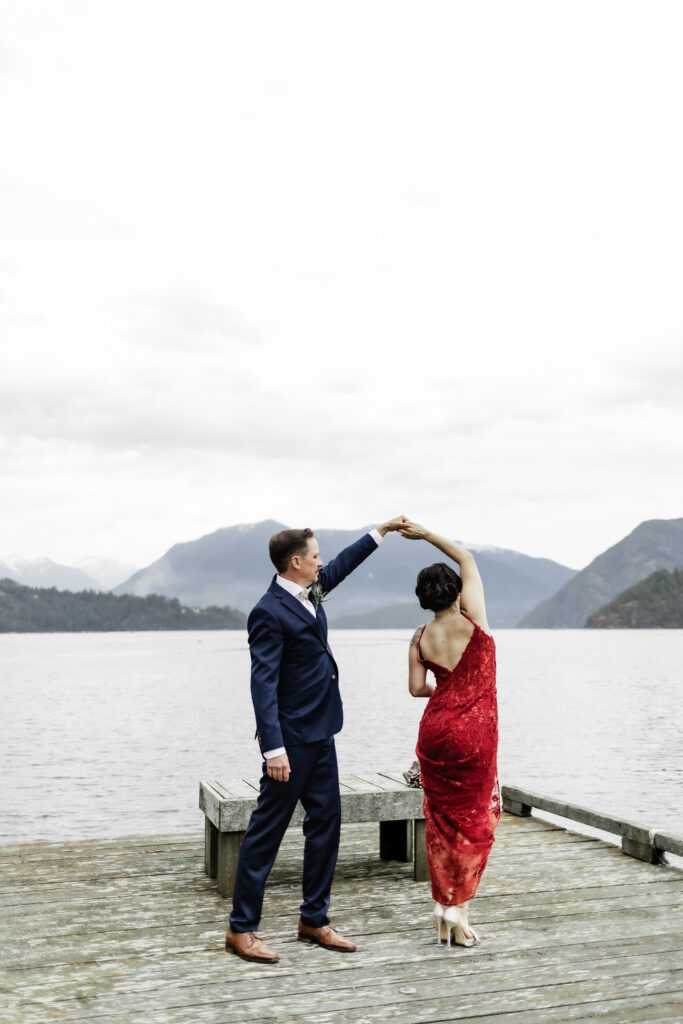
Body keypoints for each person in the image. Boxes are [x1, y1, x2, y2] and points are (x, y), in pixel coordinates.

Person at [225, 515, 407, 964]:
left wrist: (379, 533)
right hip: (290, 742)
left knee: (326, 825)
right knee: (266, 833)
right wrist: (274, 748)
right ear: (296, 562)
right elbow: (261, 684)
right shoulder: (267, 612)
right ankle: (240, 929)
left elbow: (340, 567)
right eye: (315, 556)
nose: (321, 563)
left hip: (323, 731)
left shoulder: (310, 592)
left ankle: (314, 919)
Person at [401, 520, 500, 948]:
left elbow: (417, 689)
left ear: (424, 600)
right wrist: (425, 533)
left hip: (436, 732)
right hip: (475, 736)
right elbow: (467, 557)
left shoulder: (420, 636)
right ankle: (456, 909)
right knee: (477, 821)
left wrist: (447, 690)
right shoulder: (473, 622)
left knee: (441, 824)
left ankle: (444, 906)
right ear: (457, 593)